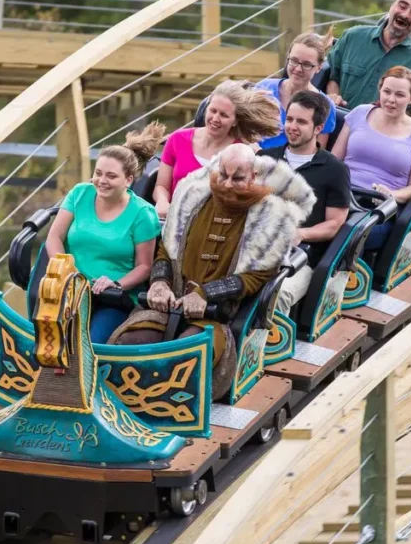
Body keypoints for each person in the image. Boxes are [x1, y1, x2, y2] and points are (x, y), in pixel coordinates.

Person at [111, 145, 315, 400]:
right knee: (129, 346)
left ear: (253, 176)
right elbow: (166, 249)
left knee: (185, 358)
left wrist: (205, 294)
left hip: (218, 317)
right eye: (223, 175)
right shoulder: (192, 196)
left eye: (237, 178)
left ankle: (171, 414)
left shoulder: (272, 216)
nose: (227, 184)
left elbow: (258, 276)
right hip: (167, 305)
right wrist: (160, 283)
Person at [45, 123, 163, 344]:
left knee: (90, 343)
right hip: (72, 291)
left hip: (113, 298)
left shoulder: (142, 214)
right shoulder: (80, 193)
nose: (101, 181)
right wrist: (66, 271)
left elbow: (144, 266)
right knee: (51, 340)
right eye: (98, 173)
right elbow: (54, 238)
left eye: (111, 176)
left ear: (128, 180)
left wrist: (116, 284)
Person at [258, 91, 351, 313]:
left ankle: (271, 345)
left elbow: (334, 224)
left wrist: (301, 234)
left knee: (277, 295)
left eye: (301, 122)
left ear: (318, 128)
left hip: (302, 259)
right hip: (258, 246)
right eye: (289, 119)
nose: (292, 126)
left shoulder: (335, 170)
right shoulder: (264, 158)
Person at [331, 66, 411, 249]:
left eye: (400, 95)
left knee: (351, 232)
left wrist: (392, 194)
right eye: (387, 92)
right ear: (380, 90)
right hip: (342, 192)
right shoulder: (360, 113)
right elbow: (334, 160)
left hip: (378, 206)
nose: (391, 100)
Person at [152, 80, 281, 218]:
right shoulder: (177, 139)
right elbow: (162, 187)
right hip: (175, 220)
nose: (215, 118)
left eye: (224, 115)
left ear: (235, 121)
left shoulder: (242, 152)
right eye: (213, 111)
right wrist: (162, 201)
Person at [325, 0, 411, 108]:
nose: (405, 15)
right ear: (392, 5)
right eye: (402, 6)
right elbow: (331, 76)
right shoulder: (353, 36)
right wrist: (333, 96)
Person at [255, 32, 339, 150]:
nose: (298, 69)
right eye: (294, 61)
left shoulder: (325, 105)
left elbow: (318, 152)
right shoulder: (263, 88)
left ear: (319, 67)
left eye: (307, 64)